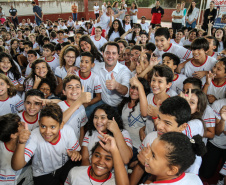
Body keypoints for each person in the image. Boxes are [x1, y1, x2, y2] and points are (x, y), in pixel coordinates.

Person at [11, 103, 82, 185]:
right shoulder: (34, 136)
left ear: (61, 125)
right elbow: (16, 166)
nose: (47, 132)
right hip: (42, 173)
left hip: (63, 167)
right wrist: (21, 143)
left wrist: (75, 153)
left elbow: (77, 152)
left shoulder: (68, 131)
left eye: (52, 127)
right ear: (39, 123)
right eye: (43, 126)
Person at [65, 133, 129, 185]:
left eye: (108, 159)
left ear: (114, 163)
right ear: (91, 156)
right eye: (97, 156)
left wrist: (114, 150)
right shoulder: (75, 173)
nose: (101, 162)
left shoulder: (116, 182)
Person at [95, 42, 131, 107]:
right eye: (107, 53)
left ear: (118, 55)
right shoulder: (97, 67)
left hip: (119, 107)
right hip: (102, 103)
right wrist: (74, 67)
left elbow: (127, 91)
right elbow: (86, 67)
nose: (110, 56)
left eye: (114, 53)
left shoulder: (124, 70)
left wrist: (117, 85)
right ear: (103, 54)